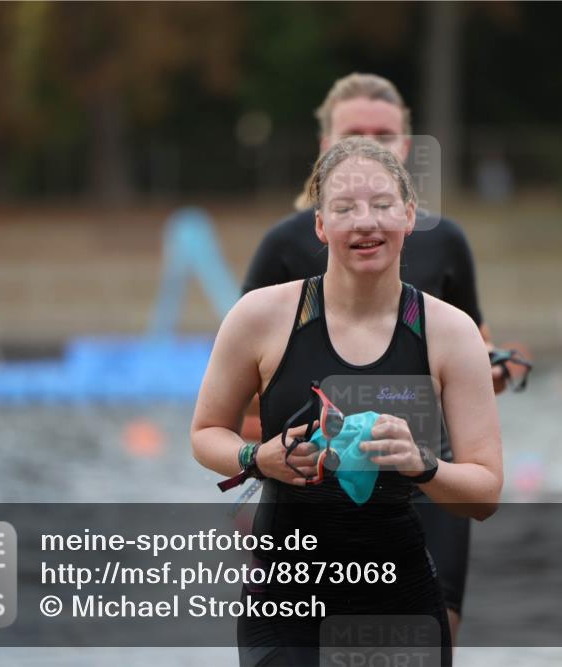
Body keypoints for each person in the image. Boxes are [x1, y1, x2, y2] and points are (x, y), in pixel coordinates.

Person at [191, 137, 503, 666]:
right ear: (320, 224)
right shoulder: (259, 317)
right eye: (344, 208)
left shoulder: (451, 333)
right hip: (285, 594)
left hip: (398, 596)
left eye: (382, 205)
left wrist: (423, 465)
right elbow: (205, 434)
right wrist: (257, 458)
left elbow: (485, 492)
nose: (366, 222)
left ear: (409, 216)